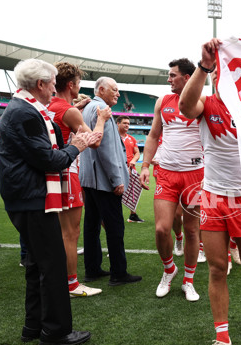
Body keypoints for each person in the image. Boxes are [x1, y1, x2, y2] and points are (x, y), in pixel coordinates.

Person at [179, 40, 241, 345]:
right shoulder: (208, 103)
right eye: (221, 73)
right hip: (213, 197)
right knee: (218, 267)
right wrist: (203, 66)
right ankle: (222, 338)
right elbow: (185, 106)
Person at [0, 58, 95, 345]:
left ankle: (34, 325)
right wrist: (76, 146)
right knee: (52, 264)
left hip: (25, 196)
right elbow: (48, 160)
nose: (55, 88)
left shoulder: (22, 109)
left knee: (36, 262)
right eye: (52, 83)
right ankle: (55, 331)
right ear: (40, 84)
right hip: (33, 198)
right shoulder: (25, 113)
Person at [139, 58, 202, 302]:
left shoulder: (201, 103)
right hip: (166, 172)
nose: (168, 79)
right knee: (162, 228)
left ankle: (189, 280)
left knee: (192, 230)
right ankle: (169, 270)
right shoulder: (162, 101)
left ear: (187, 78)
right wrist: (145, 165)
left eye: (173, 75)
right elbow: (154, 135)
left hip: (196, 176)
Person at [48, 61, 110, 298]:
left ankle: (58, 278)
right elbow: (94, 141)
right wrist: (102, 118)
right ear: (72, 84)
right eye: (78, 84)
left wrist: (76, 106)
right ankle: (72, 284)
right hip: (67, 171)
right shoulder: (70, 111)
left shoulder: (48, 105)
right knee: (70, 233)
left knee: (55, 231)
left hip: (50, 172)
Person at [79, 77, 142, 286]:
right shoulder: (101, 110)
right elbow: (106, 150)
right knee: (115, 227)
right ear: (102, 89)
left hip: (90, 178)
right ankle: (118, 273)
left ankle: (92, 269)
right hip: (104, 181)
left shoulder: (88, 108)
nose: (117, 94)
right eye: (114, 90)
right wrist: (116, 180)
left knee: (91, 226)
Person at [116, 116, 144, 223]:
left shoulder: (132, 138)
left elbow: (137, 153)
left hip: (131, 169)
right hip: (118, 169)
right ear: (118, 124)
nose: (127, 125)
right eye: (124, 123)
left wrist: (133, 161)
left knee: (133, 191)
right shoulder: (113, 137)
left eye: (128, 123)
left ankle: (133, 215)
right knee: (118, 191)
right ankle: (116, 215)